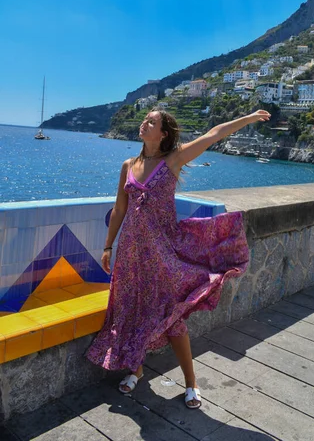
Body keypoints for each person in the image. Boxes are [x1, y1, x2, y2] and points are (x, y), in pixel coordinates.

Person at [86, 107, 271, 409]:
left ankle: (191, 383)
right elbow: (119, 210)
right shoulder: (128, 165)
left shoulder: (172, 160)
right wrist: (108, 247)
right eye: (145, 119)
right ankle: (136, 370)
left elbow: (214, 134)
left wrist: (248, 118)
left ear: (164, 133)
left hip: (163, 252)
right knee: (131, 310)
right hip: (131, 254)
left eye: (152, 122)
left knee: (173, 318)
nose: (144, 123)